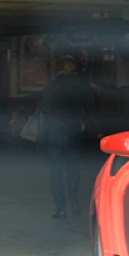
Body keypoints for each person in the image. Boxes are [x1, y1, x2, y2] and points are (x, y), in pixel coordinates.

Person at [41, 54, 96, 219]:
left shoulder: (52, 86)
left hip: (55, 131)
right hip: (72, 130)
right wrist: (99, 129)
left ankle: (60, 208)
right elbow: (91, 107)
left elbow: (45, 108)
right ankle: (74, 201)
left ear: (60, 69)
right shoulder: (81, 86)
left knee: (56, 170)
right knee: (73, 167)